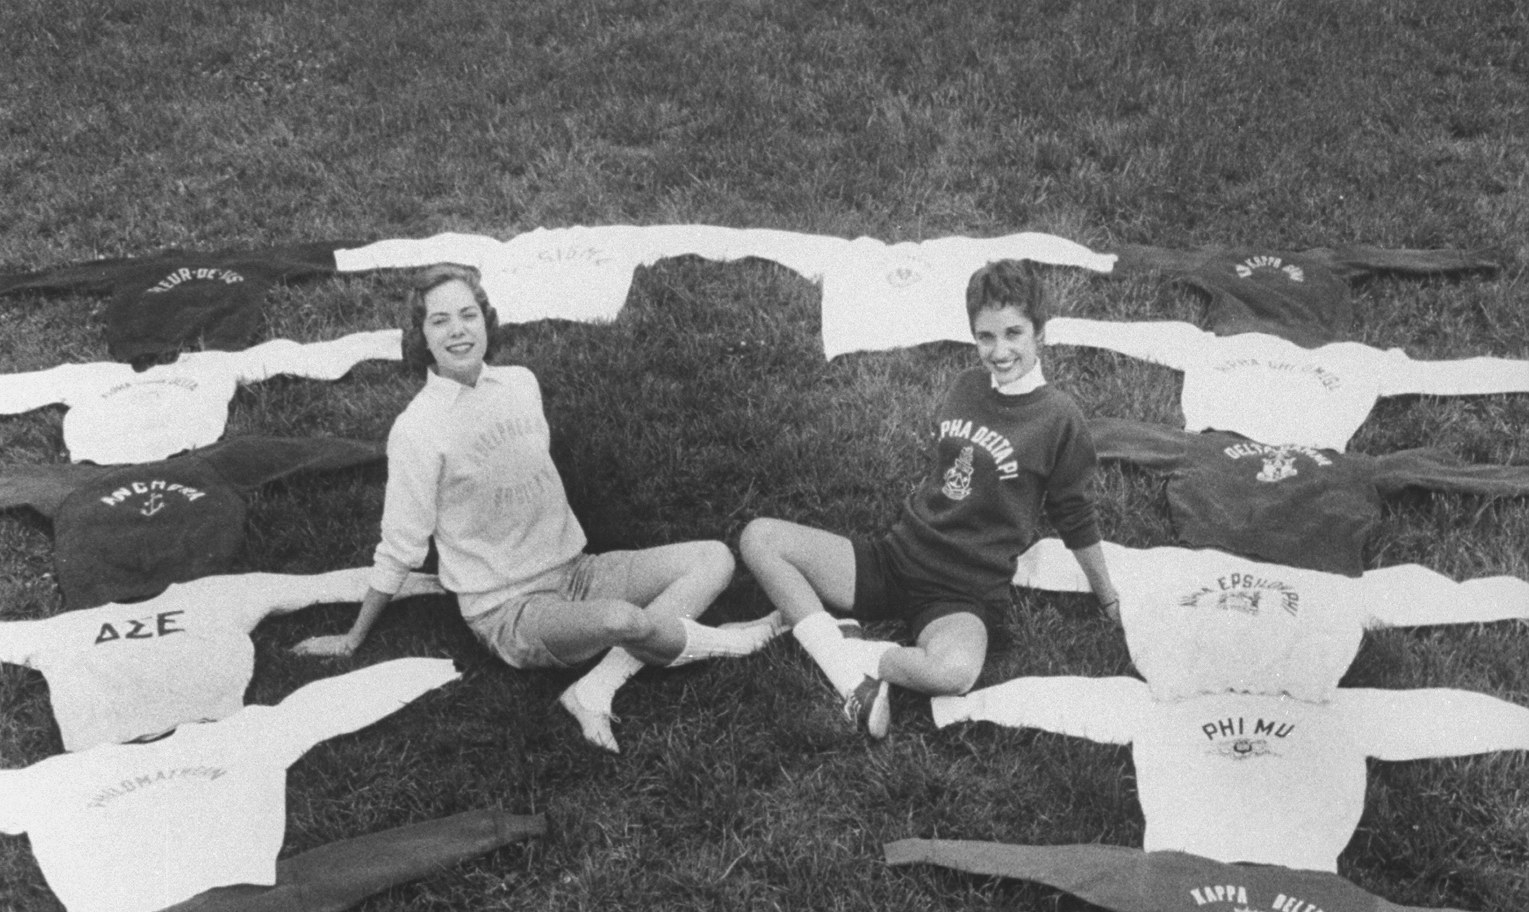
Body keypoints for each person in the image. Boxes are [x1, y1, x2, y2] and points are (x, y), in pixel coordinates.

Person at [293, 265, 782, 751]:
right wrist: (353, 636)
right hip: (509, 609)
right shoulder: (417, 430)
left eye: (468, 314)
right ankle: (740, 643)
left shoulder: (521, 383)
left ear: (486, 321)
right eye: (439, 320)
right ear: (421, 336)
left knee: (714, 558)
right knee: (622, 621)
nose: (458, 330)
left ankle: (594, 687)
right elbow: (401, 544)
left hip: (577, 571)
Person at [739, 258, 1120, 739]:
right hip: (896, 558)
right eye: (986, 336)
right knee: (760, 538)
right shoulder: (965, 386)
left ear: (1040, 332)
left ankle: (853, 653)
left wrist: (1107, 598)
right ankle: (846, 668)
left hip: (963, 591)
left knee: (954, 675)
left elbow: (1075, 515)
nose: (1000, 351)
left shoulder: (1059, 419)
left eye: (1013, 333)